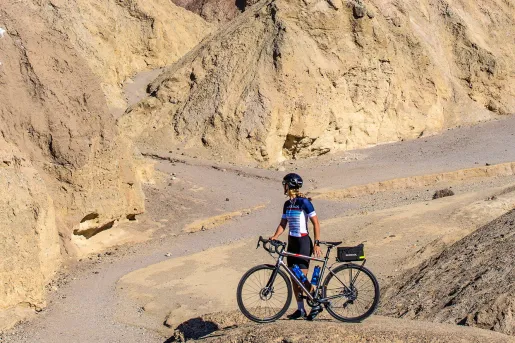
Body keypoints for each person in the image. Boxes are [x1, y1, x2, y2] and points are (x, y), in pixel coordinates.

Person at [269, 173, 323, 320]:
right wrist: (275, 236)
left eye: (285, 184)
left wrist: (317, 243)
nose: (284, 187)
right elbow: (283, 224)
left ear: (290, 185)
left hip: (303, 243)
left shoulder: (303, 202)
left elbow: (316, 223)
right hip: (292, 242)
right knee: (293, 278)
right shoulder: (287, 204)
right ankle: (300, 309)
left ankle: (316, 300)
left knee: (301, 277)